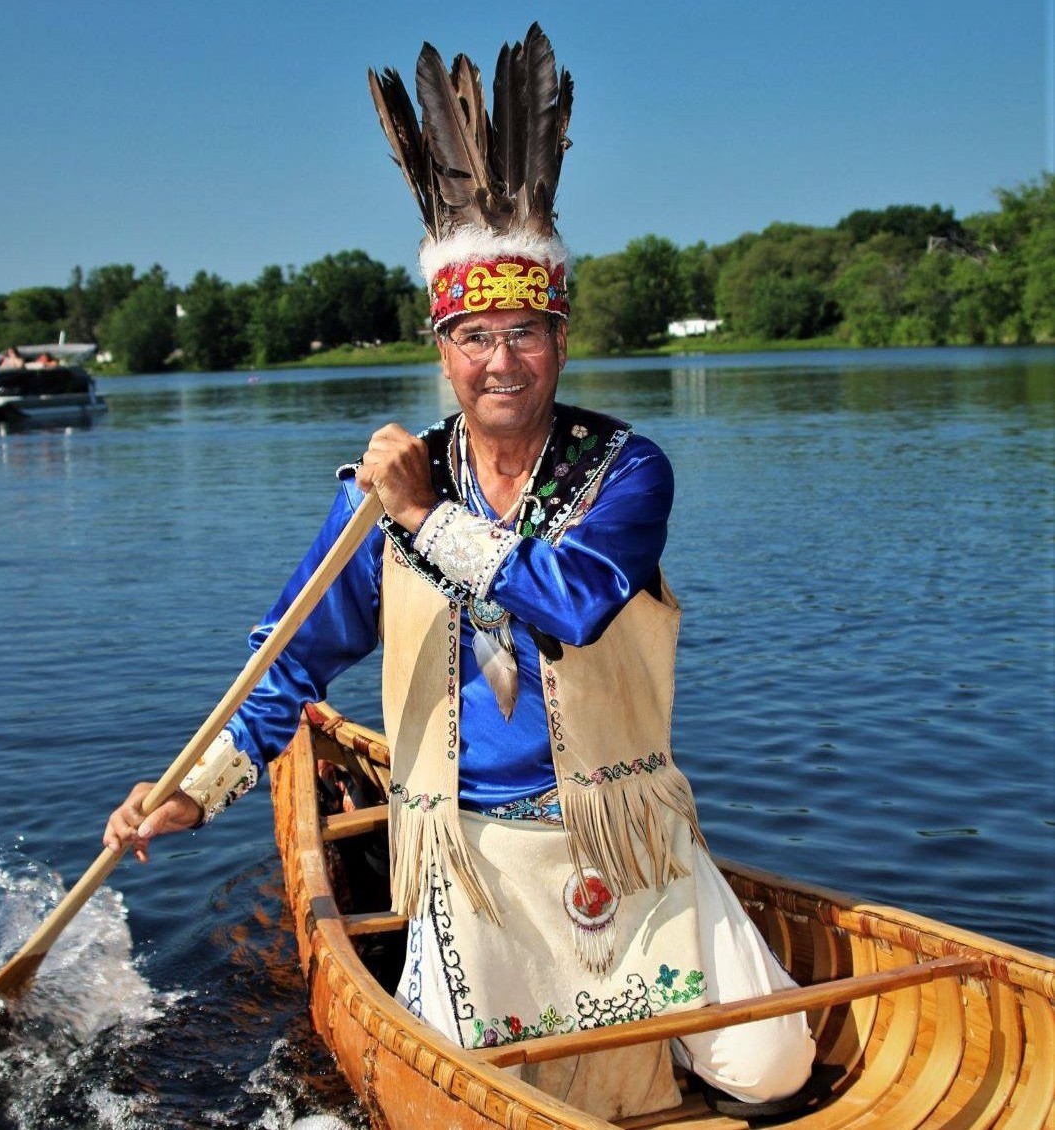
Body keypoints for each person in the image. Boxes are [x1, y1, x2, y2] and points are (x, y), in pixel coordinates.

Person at [104, 25, 816, 1122]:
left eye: (523, 331)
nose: (499, 360)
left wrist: (421, 514)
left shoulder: (624, 470)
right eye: (473, 334)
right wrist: (182, 794)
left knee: (774, 1068)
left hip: (621, 825)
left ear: (560, 340)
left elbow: (572, 601)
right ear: (441, 348)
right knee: (476, 1092)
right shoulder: (385, 493)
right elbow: (288, 662)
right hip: (467, 843)